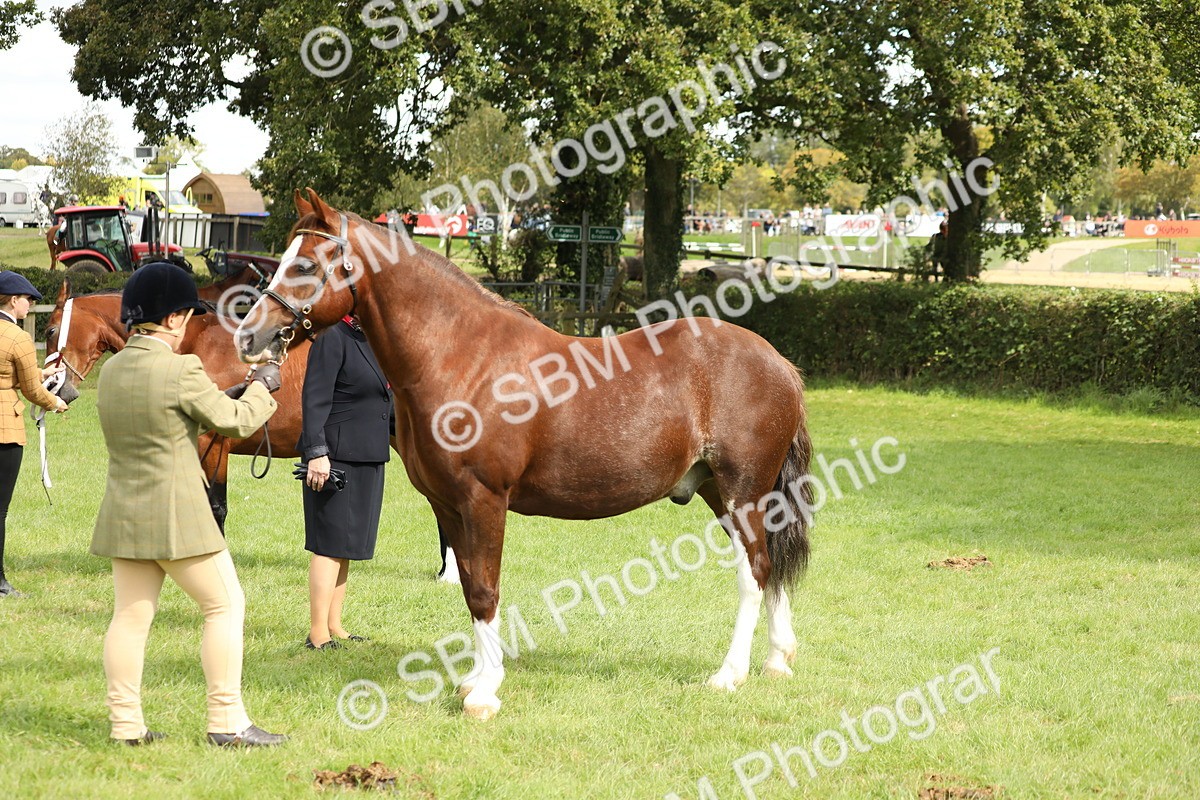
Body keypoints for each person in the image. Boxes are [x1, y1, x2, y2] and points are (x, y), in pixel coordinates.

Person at [91, 262, 286, 747]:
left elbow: (160, 422)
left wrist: (222, 396)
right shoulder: (182, 368)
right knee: (225, 606)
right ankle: (227, 722)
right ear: (175, 318)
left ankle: (125, 726)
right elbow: (238, 423)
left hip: (124, 509)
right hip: (179, 514)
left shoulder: (112, 370)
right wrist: (263, 385)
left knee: (129, 619)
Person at [298, 314, 392, 650]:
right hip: (334, 456)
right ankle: (316, 633)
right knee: (329, 544)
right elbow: (314, 399)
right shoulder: (332, 337)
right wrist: (316, 451)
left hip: (367, 453)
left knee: (346, 546)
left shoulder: (372, 339)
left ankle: (334, 625)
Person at [0, 272, 69, 597]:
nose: (30, 305)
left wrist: (42, 372)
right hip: (4, 430)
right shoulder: (17, 336)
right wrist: (55, 401)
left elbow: (8, 372)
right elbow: (31, 390)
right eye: (28, 300)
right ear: (14, 300)